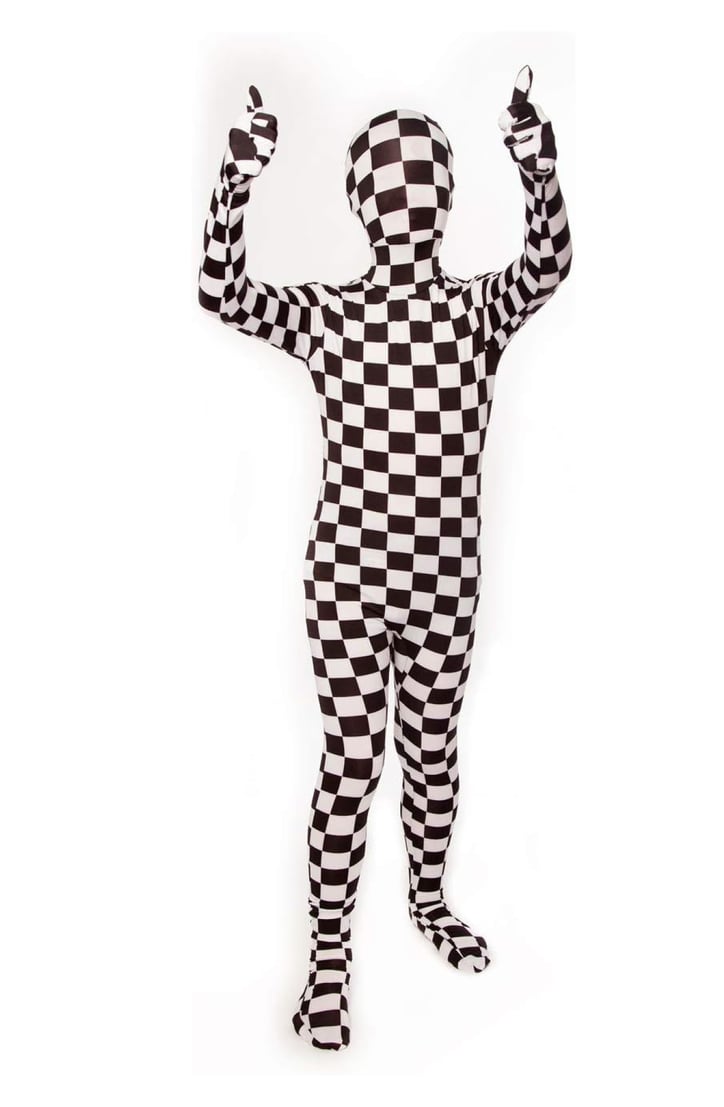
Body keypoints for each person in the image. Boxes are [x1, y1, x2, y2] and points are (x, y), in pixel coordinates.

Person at [197, 64, 572, 1051]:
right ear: (369, 204)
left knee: (422, 752)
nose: (409, 201)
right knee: (365, 756)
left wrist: (537, 163)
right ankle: (332, 960)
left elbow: (548, 264)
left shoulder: (464, 309)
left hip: (423, 581)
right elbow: (221, 295)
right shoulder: (369, 313)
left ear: (440, 196)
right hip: (362, 581)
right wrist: (236, 174)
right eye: (395, 184)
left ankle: (422, 905)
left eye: (421, 180)